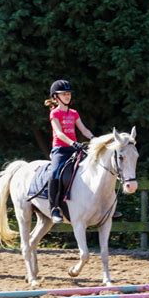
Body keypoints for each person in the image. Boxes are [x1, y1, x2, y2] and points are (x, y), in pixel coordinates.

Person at [45, 80, 94, 223]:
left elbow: (83, 129)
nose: (67, 96)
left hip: (75, 149)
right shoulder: (54, 113)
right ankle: (54, 207)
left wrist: (94, 139)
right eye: (64, 94)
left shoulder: (74, 113)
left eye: (68, 94)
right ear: (56, 97)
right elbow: (59, 133)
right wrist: (73, 143)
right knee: (55, 174)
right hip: (60, 150)